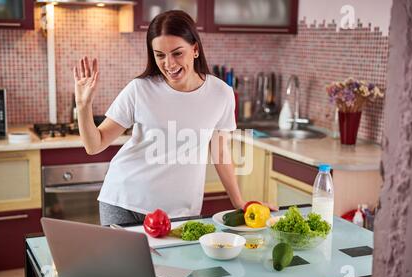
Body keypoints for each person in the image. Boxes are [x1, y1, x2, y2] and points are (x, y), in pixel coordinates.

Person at [73, 10, 276, 226]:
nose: (169, 64)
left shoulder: (221, 94)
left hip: (179, 212)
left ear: (195, 49)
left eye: (177, 53)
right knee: (121, 261)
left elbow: (220, 152)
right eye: (160, 55)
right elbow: (94, 145)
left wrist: (239, 201)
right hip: (124, 202)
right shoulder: (140, 89)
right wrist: (83, 106)